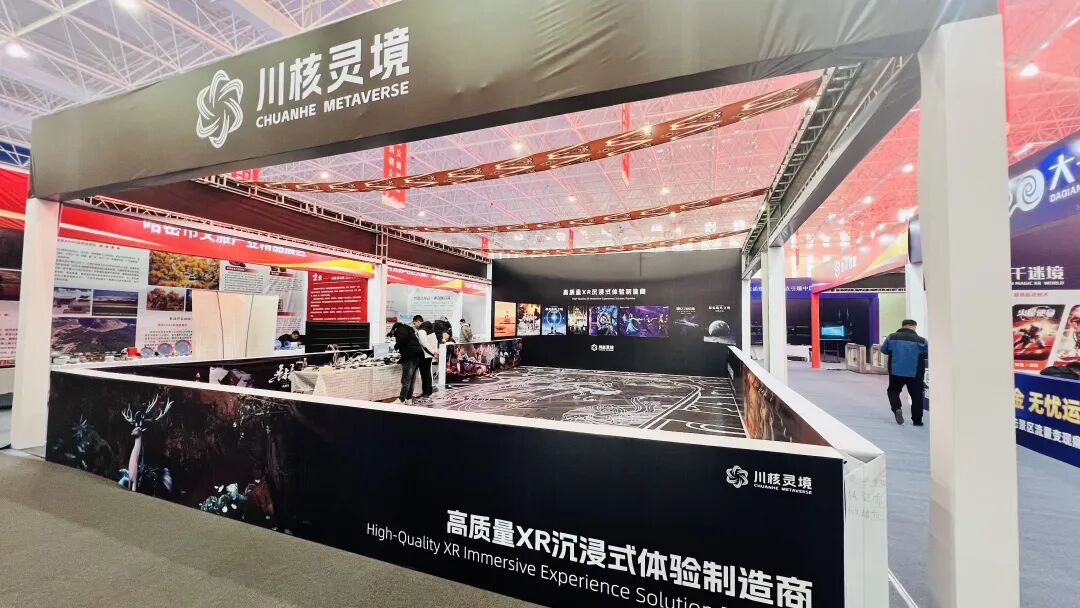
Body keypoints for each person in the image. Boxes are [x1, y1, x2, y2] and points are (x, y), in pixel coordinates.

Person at [880, 319, 928, 426]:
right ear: (914, 327)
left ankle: (897, 408)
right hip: (915, 372)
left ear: (902, 326)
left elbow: (884, 350)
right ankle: (917, 420)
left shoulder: (891, 337)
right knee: (916, 396)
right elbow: (927, 353)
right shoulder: (921, 340)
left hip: (896, 371)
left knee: (893, 391)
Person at [387, 322, 424, 405]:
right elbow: (407, 346)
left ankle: (402, 399)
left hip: (410, 356)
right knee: (412, 378)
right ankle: (408, 398)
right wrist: (401, 360)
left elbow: (403, 340)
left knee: (406, 379)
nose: (394, 336)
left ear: (395, 329)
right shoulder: (408, 330)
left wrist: (396, 346)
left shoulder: (401, 330)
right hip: (417, 355)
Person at [413, 316, 438, 398]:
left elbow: (425, 344)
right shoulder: (430, 328)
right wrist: (434, 352)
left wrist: (432, 353)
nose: (414, 325)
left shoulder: (421, 331)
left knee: (424, 374)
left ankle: (426, 392)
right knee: (427, 373)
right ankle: (428, 391)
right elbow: (435, 341)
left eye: (414, 323)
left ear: (418, 321)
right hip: (429, 355)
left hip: (424, 355)